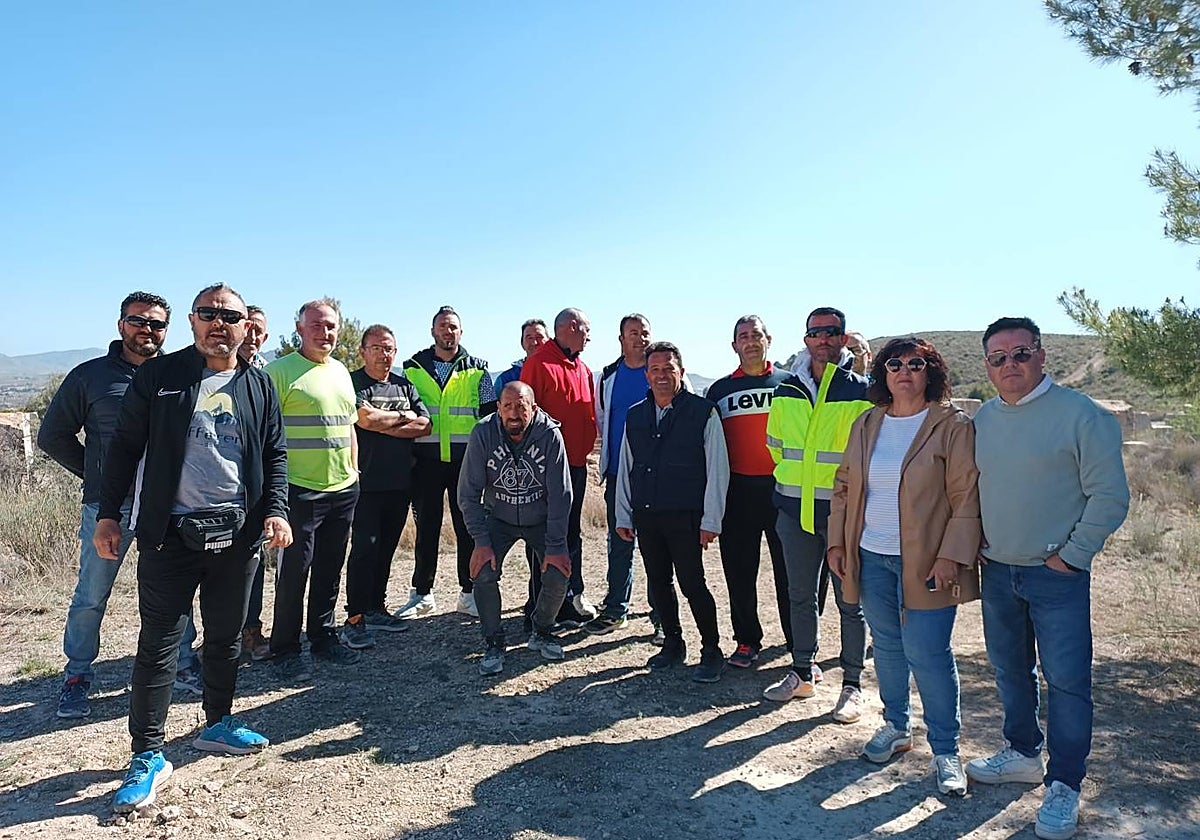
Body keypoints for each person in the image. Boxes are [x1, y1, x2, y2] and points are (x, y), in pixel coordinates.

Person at [94, 283, 291, 813]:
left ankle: (218, 723)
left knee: (226, 636)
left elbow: (275, 453)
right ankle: (147, 753)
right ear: (192, 321)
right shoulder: (160, 377)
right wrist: (109, 514)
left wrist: (277, 509)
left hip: (238, 534)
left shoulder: (259, 384)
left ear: (247, 325)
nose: (218, 322)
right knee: (160, 642)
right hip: (169, 535)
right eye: (208, 313)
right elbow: (124, 448)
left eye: (230, 315)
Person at [966, 317, 1129, 840]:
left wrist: (1072, 557)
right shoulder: (982, 420)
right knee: (1010, 671)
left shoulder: (1084, 416)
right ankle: (1021, 754)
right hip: (998, 571)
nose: (1009, 364)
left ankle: (1064, 783)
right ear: (987, 366)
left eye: (1020, 353)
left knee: (1066, 681)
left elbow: (1110, 497)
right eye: (998, 357)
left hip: (1056, 574)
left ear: (1041, 355)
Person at [826, 337, 981, 797]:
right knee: (889, 648)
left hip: (929, 561)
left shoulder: (952, 425)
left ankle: (946, 750)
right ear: (883, 373)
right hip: (871, 555)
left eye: (917, 363)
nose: (905, 371)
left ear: (930, 372)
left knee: (929, 653)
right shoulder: (868, 422)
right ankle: (896, 725)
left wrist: (952, 554)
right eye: (895, 363)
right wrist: (838, 542)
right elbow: (844, 485)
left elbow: (965, 495)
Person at [37, 291, 202, 719]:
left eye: (156, 324)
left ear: (168, 330)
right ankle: (77, 674)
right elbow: (53, 436)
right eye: (138, 321)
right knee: (92, 593)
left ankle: (183, 663)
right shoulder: (89, 377)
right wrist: (99, 479)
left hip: (168, 506)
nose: (146, 330)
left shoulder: (180, 376)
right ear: (120, 324)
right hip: (107, 509)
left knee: (174, 591)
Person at [762, 307, 871, 720]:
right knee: (800, 596)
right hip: (793, 512)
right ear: (805, 339)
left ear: (844, 338)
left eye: (832, 332)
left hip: (843, 516)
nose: (823, 338)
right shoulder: (786, 389)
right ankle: (802, 672)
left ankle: (852, 684)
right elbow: (776, 445)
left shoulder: (861, 391)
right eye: (815, 332)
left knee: (849, 601)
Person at [615, 342, 730, 683]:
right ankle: (673, 643)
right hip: (648, 514)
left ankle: (711, 650)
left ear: (680, 371)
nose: (662, 376)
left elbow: (718, 468)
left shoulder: (702, 412)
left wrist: (712, 519)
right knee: (659, 583)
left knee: (693, 583)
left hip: (687, 515)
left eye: (669, 369)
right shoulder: (635, 415)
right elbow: (626, 466)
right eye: (655, 370)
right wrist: (623, 515)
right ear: (646, 374)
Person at [266, 298, 361, 679]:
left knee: (329, 568)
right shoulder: (279, 372)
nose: (325, 332)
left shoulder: (341, 371)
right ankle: (285, 649)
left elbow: (349, 424)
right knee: (294, 573)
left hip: (342, 489)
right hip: (298, 490)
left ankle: (323, 637)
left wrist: (355, 472)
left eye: (331, 326)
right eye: (317, 325)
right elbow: (263, 435)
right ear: (300, 328)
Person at [458, 381, 572, 675]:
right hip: (498, 518)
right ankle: (494, 641)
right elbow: (468, 494)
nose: (513, 413)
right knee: (482, 571)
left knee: (559, 574)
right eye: (507, 406)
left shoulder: (550, 435)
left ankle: (542, 630)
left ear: (533, 408)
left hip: (542, 518)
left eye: (521, 406)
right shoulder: (483, 433)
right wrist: (480, 542)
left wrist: (557, 545)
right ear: (498, 408)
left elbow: (561, 495)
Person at [705, 315, 792, 668]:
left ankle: (799, 640)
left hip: (783, 489)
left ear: (768, 339)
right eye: (743, 336)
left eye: (756, 335)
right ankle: (746, 640)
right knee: (739, 570)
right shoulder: (720, 391)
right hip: (738, 491)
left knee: (791, 571)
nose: (750, 341)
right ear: (734, 345)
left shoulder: (790, 384)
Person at [397, 306, 496, 619]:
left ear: (461, 332)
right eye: (442, 326)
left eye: (453, 327)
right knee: (426, 528)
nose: (448, 331)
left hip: (466, 462)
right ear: (432, 331)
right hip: (424, 461)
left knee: (468, 529)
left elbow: (489, 417)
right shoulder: (411, 368)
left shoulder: (478, 369)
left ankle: (469, 594)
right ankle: (422, 594)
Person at [340, 325, 430, 649]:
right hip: (365, 482)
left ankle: (377, 608)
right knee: (364, 550)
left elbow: (425, 424)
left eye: (389, 348)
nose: (384, 353)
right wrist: (400, 419)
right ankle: (355, 619)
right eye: (376, 347)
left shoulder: (405, 385)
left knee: (386, 549)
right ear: (363, 351)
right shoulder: (353, 383)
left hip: (399, 483)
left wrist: (385, 421)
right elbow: (363, 420)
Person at [520, 307, 598, 626]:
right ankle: (538, 608)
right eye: (586, 329)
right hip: (545, 468)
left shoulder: (584, 369)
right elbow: (524, 415)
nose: (589, 336)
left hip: (576, 467)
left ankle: (565, 599)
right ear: (570, 327)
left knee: (570, 533)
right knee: (544, 536)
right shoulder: (539, 363)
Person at [238, 304, 273, 661]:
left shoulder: (268, 374)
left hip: (257, 489)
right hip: (210, 491)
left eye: (258, 329)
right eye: (245, 326)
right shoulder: (210, 373)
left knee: (254, 562)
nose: (251, 334)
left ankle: (251, 632)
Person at [493, 318, 549, 391]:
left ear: (549, 341)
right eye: (529, 338)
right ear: (522, 344)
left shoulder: (561, 372)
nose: (534, 342)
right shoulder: (506, 379)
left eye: (539, 337)